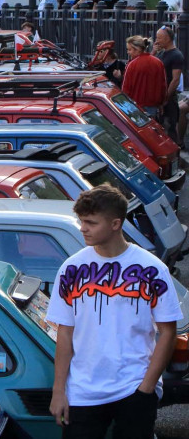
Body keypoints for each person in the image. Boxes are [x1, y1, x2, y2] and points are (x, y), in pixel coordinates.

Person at [46, 185, 182, 438]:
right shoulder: (72, 268)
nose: (82, 228)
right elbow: (64, 333)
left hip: (134, 387)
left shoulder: (152, 268)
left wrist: (147, 388)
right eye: (81, 221)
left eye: (90, 222)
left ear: (115, 223)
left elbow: (167, 331)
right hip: (83, 391)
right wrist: (59, 391)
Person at [122, 36, 166, 117]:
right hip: (153, 105)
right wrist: (161, 103)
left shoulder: (131, 64)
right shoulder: (158, 62)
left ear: (137, 49)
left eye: (129, 49)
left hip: (135, 106)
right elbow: (163, 86)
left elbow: (126, 88)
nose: (128, 52)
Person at [154, 26, 184, 140]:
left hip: (169, 98)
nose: (157, 41)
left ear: (167, 39)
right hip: (159, 95)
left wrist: (166, 98)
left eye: (159, 38)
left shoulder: (176, 55)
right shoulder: (161, 53)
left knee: (168, 127)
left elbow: (175, 80)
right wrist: (153, 51)